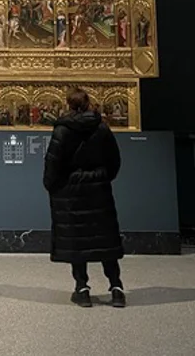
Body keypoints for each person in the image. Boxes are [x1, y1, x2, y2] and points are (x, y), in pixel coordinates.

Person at [42, 89, 126, 308]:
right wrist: (102, 178)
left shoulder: (62, 130)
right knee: (105, 239)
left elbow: (53, 162)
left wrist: (52, 186)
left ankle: (82, 288)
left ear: (68, 104)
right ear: (89, 103)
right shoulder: (102, 127)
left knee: (77, 242)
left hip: (71, 191)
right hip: (98, 189)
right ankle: (116, 288)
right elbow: (114, 160)